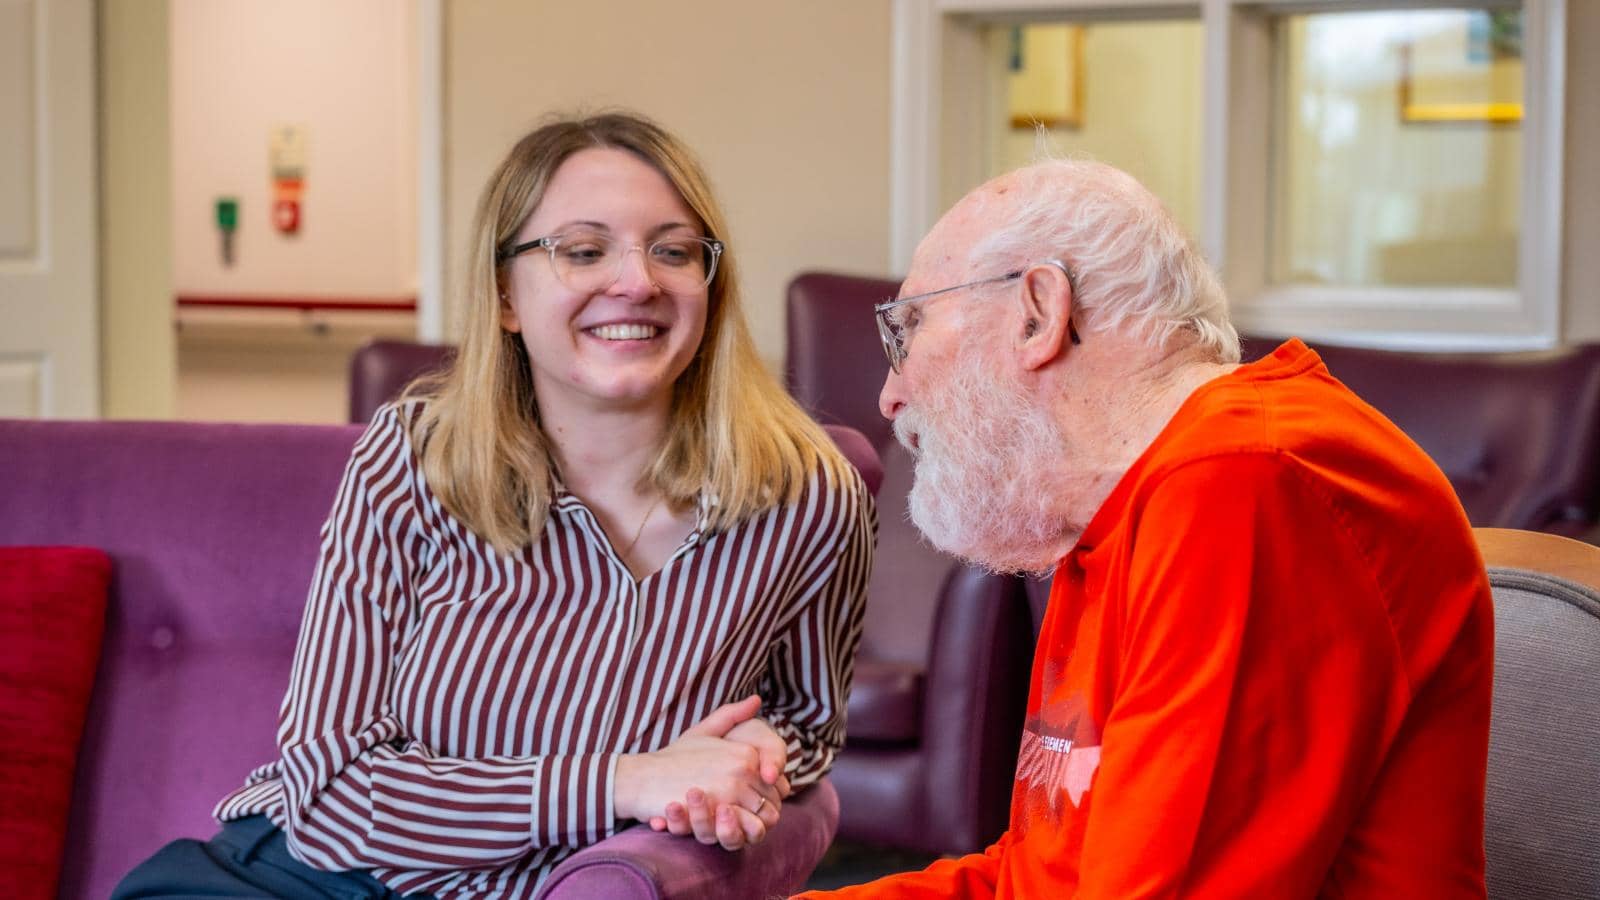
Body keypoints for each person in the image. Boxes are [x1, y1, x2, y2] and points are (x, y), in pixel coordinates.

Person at [114, 112, 874, 900]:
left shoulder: (810, 496)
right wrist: (622, 782)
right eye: (583, 251)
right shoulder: (414, 457)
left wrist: (754, 752)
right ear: (505, 295)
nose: (638, 281)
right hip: (306, 880)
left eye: (674, 250)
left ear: (711, 290)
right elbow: (330, 795)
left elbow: (806, 722)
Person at [800, 159, 1493, 898]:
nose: (890, 394)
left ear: (1038, 312)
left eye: (910, 327)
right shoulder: (1114, 517)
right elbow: (1037, 881)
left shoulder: (1244, 479)